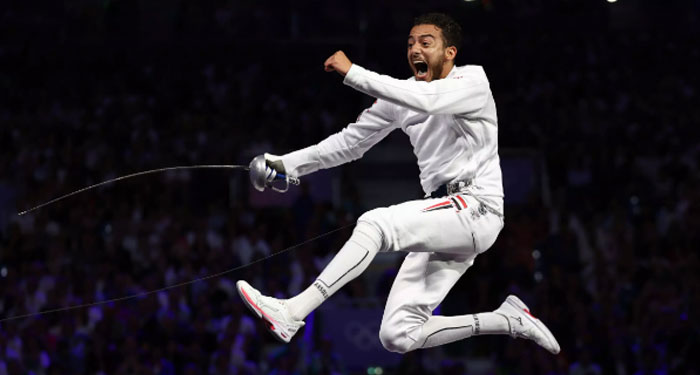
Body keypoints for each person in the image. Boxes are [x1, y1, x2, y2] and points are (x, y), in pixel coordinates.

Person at [237, 12, 560, 355]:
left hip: (476, 206)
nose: (415, 49)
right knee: (398, 335)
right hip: (445, 218)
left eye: (426, 42)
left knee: (376, 223)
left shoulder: (472, 82)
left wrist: (354, 73)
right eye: (410, 44)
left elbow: (430, 99)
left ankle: (293, 311)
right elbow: (350, 143)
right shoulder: (402, 97)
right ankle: (507, 320)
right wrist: (285, 164)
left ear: (450, 52)